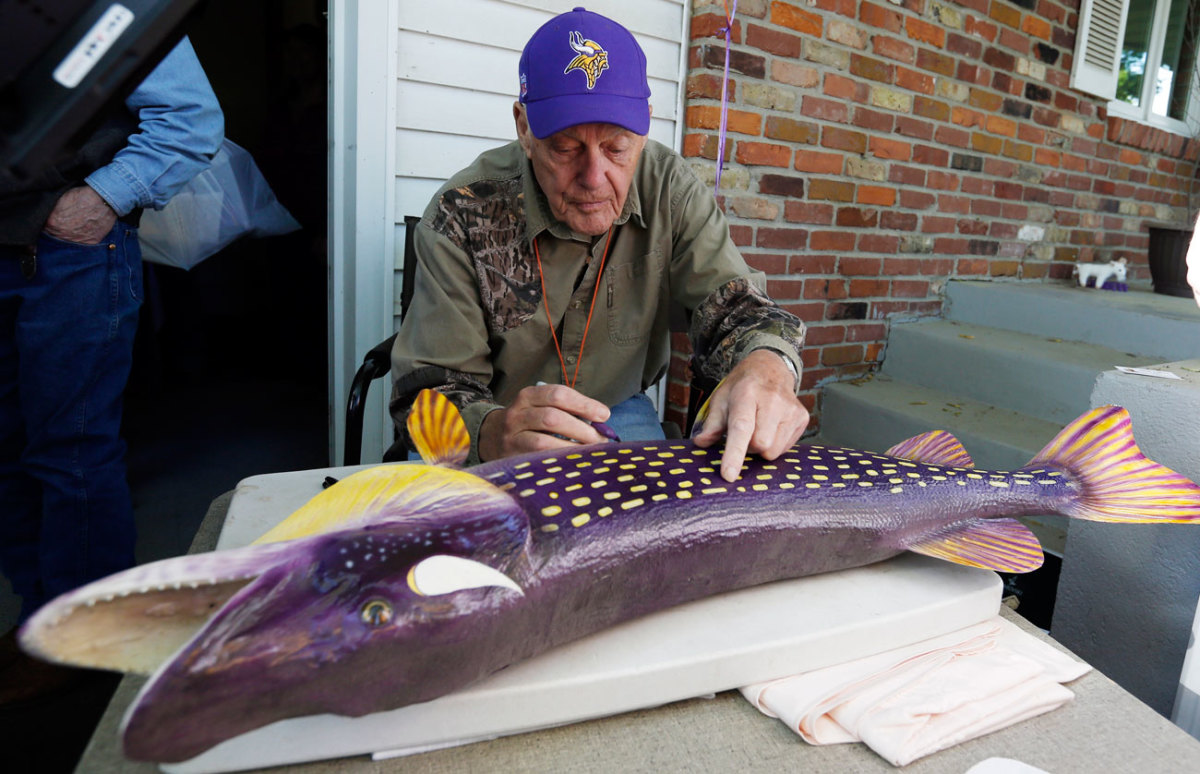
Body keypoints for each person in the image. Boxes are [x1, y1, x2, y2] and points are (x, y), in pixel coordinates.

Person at [390, 7, 807, 483]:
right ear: (523, 128)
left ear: (646, 125)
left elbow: (739, 311)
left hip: (615, 410)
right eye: (565, 148)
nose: (593, 179)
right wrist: (492, 432)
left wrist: (768, 365)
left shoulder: (671, 189)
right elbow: (422, 397)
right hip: (496, 420)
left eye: (616, 147)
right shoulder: (461, 211)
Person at [0, 37, 223, 699]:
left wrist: (101, 200)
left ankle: (88, 659)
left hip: (65, 252)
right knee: (9, 453)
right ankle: (38, 631)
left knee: (71, 455)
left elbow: (191, 118)